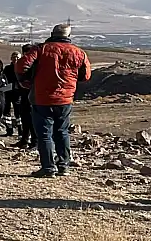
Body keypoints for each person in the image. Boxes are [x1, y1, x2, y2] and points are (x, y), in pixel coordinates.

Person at [14, 24, 92, 177]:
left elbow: (21, 66)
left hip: (42, 98)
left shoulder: (41, 49)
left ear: (52, 33)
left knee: (44, 134)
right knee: (62, 132)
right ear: (68, 35)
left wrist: (26, 82)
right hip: (65, 98)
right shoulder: (78, 52)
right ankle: (63, 165)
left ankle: (48, 167)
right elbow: (86, 75)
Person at [13, 45, 35, 149]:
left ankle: (34, 141)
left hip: (32, 94)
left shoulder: (34, 65)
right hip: (24, 94)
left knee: (32, 119)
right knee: (25, 119)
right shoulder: (22, 64)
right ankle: (24, 140)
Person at [2, 51, 21, 135]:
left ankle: (20, 130)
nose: (15, 59)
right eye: (14, 57)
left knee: (18, 111)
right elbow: (4, 78)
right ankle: (9, 129)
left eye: (17, 57)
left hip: (18, 93)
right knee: (6, 112)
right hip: (8, 92)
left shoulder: (22, 68)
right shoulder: (7, 68)